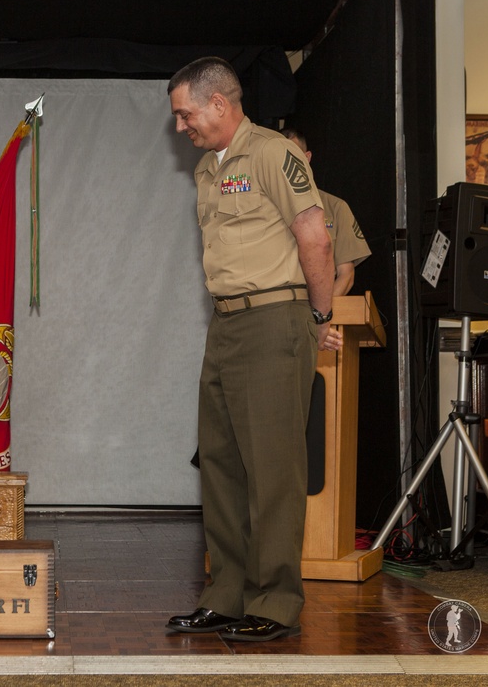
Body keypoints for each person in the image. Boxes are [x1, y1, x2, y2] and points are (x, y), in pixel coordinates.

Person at [165, 57, 337, 642]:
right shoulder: (209, 169)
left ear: (219, 103)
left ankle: (277, 601)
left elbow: (314, 236)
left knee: (272, 470)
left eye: (186, 114)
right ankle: (228, 595)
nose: (181, 127)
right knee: (219, 464)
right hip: (226, 324)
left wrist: (318, 316)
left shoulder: (271, 153)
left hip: (273, 320)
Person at [281, 129, 371, 295]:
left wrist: (321, 312)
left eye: (292, 155)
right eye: (280, 156)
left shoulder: (335, 208)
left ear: (307, 158)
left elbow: (346, 275)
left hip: (317, 307)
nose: (286, 163)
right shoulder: (262, 209)